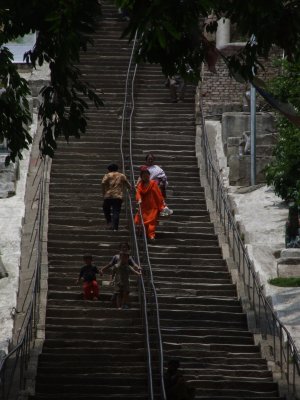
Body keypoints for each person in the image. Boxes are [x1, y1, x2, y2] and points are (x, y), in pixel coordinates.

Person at [101, 242, 141, 309]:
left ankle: (123, 304)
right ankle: (118, 302)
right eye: (122, 247)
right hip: (118, 277)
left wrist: (138, 268)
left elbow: (134, 264)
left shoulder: (129, 257)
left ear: (128, 248)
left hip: (125, 277)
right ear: (119, 248)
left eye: (126, 247)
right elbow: (110, 264)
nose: (124, 248)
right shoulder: (116, 257)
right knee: (119, 291)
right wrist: (103, 269)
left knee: (125, 291)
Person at [134, 166, 164, 240]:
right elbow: (138, 193)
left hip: (153, 206)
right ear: (141, 176)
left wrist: (162, 206)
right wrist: (139, 199)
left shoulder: (153, 183)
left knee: (152, 222)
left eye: (146, 175)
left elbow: (158, 195)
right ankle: (144, 234)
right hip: (144, 206)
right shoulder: (140, 185)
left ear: (149, 175)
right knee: (142, 221)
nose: (145, 176)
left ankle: (151, 236)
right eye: (143, 175)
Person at [101, 163, 131, 231]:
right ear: (117, 169)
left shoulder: (107, 175)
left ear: (109, 169)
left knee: (106, 209)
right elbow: (128, 184)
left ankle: (109, 222)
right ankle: (115, 227)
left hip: (108, 196)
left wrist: (104, 193)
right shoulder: (121, 175)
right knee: (116, 212)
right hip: (118, 196)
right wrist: (130, 188)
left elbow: (103, 183)